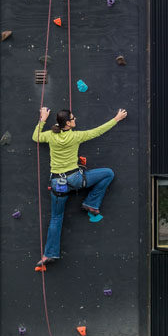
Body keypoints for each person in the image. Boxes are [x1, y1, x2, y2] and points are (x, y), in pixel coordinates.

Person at [32, 105, 127, 269]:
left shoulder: (50, 136)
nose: (75, 120)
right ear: (67, 124)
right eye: (73, 118)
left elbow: (35, 137)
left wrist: (42, 119)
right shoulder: (76, 136)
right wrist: (116, 119)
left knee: (56, 218)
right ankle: (91, 203)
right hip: (75, 179)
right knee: (108, 173)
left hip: (57, 184)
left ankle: (49, 253)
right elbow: (97, 131)